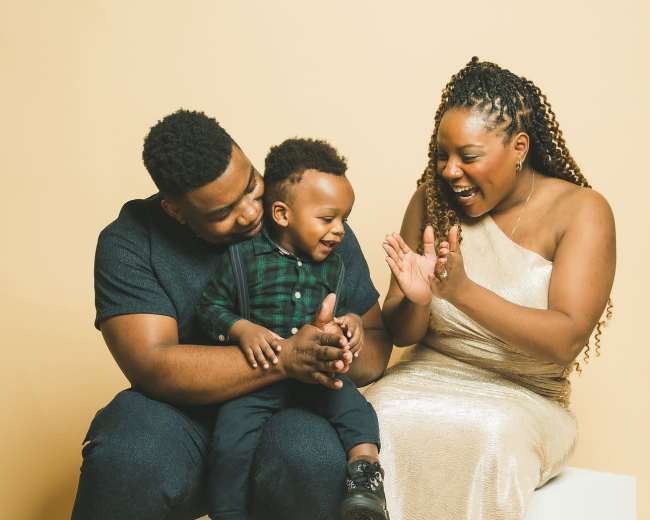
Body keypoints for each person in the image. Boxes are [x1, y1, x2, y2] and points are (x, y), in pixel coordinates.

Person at [71, 110, 392, 520]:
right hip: (176, 417)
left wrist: (337, 349)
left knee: (310, 454)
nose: (250, 213)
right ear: (176, 211)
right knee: (129, 453)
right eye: (222, 212)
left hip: (288, 408)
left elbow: (377, 343)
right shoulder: (131, 241)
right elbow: (153, 364)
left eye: (251, 186)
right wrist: (287, 356)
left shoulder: (303, 215)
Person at [364, 57, 616, 520]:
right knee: (372, 416)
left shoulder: (581, 211)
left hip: (525, 396)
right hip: (423, 376)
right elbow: (401, 332)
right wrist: (418, 301)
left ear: (518, 147)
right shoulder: (430, 200)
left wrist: (460, 292)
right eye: (442, 155)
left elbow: (565, 339)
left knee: (489, 435)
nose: (450, 170)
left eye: (469, 156)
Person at [196, 138, 388, 520]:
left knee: (358, 412)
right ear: (282, 214)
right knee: (230, 440)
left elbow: (341, 315)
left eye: (344, 220)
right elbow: (209, 309)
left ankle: (365, 484)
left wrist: (350, 326)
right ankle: (228, 513)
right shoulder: (242, 259)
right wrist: (241, 330)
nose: (339, 232)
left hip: (316, 380)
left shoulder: (334, 265)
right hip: (259, 380)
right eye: (327, 218)